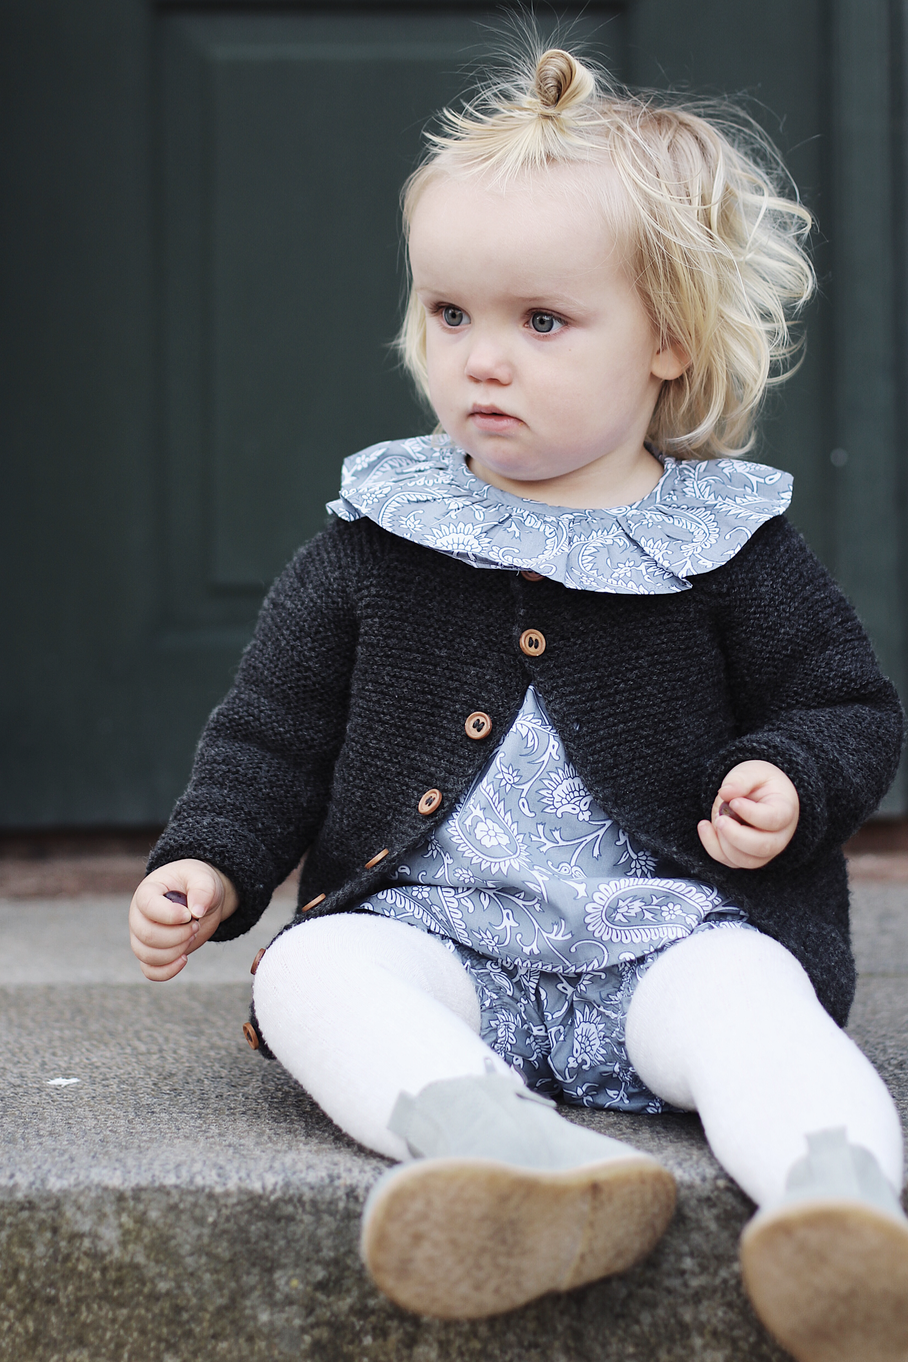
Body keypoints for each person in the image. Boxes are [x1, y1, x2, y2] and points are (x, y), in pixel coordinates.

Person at [129, 44, 908, 1360]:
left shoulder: (725, 546)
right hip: (438, 940)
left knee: (759, 1012)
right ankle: (508, 1156)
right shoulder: (382, 537)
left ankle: (839, 1211)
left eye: (541, 322)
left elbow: (847, 704)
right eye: (450, 314)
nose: (481, 360)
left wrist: (790, 775)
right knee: (313, 972)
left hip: (670, 938)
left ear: (668, 338)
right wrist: (212, 858)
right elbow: (273, 731)